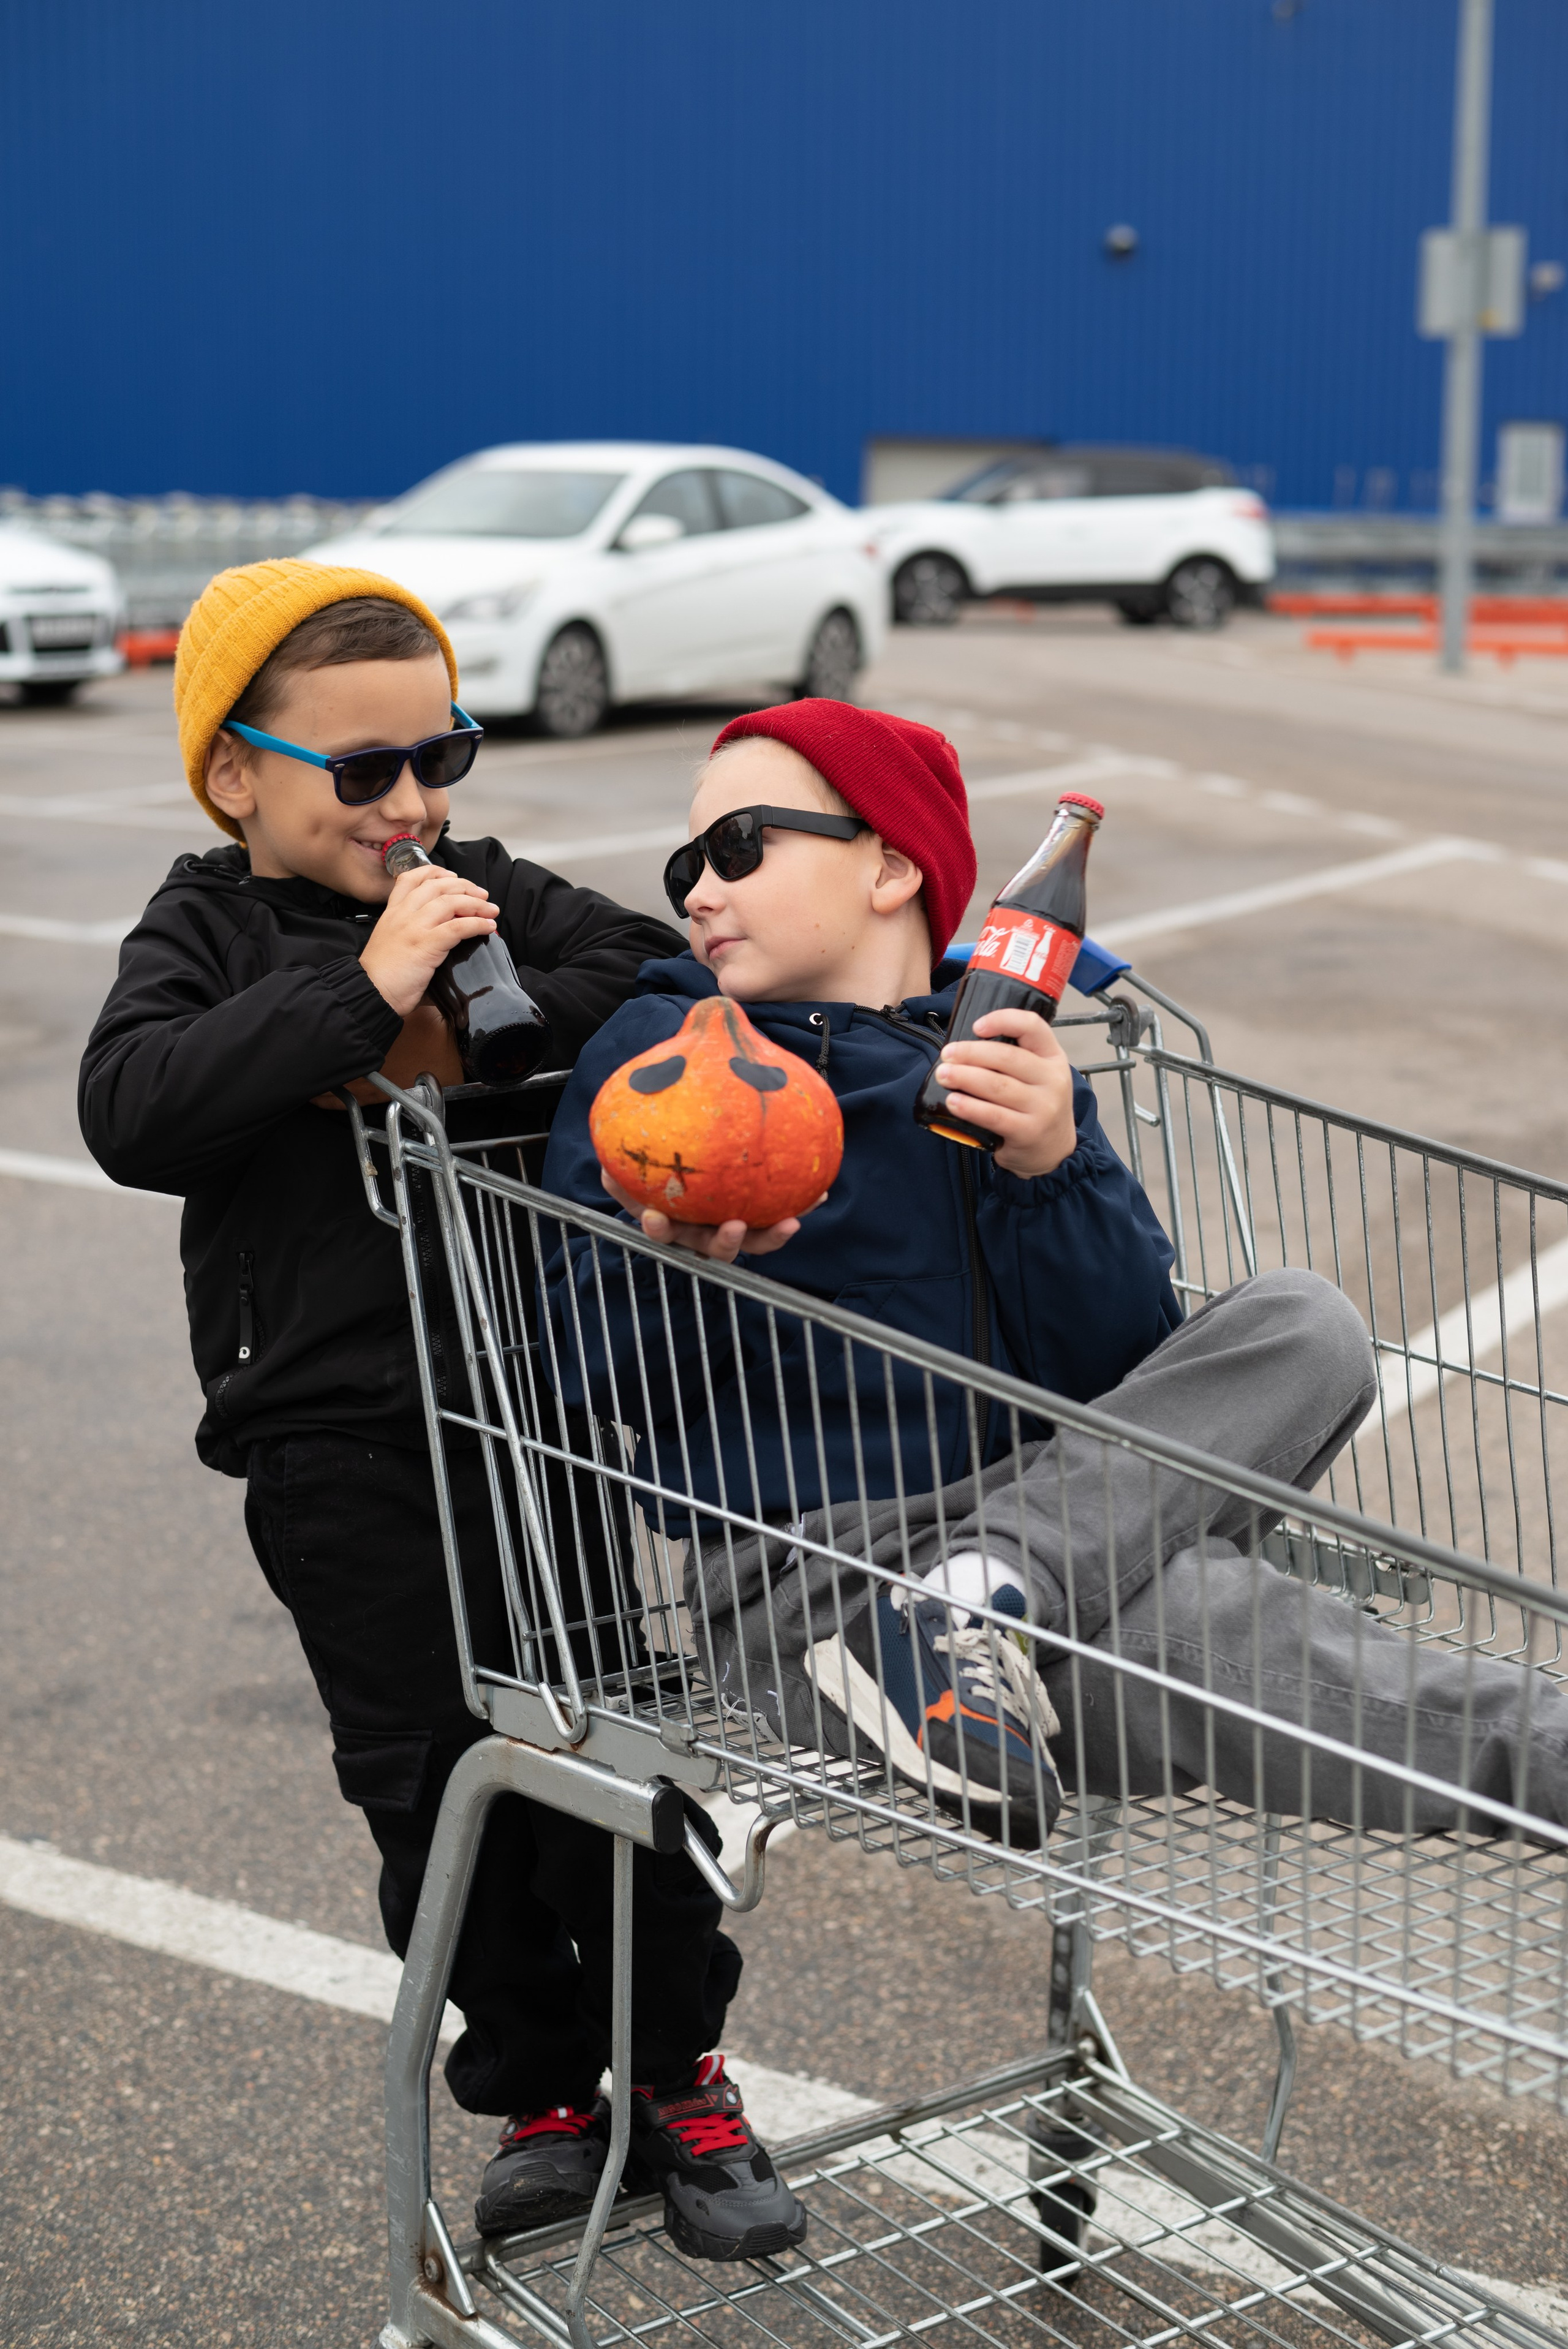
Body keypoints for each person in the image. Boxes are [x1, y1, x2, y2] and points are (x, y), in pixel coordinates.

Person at [77, 559, 810, 2263]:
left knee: (614, 1742)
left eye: (439, 756)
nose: (410, 804)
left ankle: (680, 2070)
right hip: (331, 1435)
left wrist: (454, 997)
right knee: (430, 1773)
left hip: (533, 1411)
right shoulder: (205, 928)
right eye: (361, 772)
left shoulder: (476, 891)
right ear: (235, 773)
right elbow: (133, 1105)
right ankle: (549, 2088)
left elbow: (642, 974)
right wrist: (348, 995)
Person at [541, 698, 1568, 1852]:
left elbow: (1116, 1373)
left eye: (737, 847)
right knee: (1219, 1622)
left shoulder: (998, 1065)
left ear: (889, 867)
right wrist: (666, 1256)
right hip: (818, 1593)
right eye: (687, 862)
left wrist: (1051, 1167)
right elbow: (579, 1377)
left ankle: (982, 1591)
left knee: (1307, 1324)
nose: (695, 892)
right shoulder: (664, 1058)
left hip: (1042, 1540)